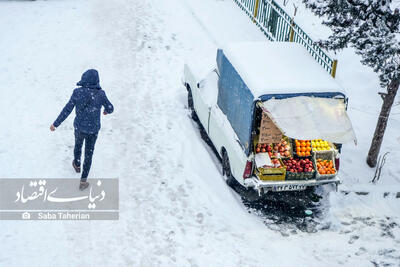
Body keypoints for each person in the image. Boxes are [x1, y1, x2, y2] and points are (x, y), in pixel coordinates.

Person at [50, 69, 114, 190]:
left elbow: (67, 109)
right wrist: (106, 110)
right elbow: (111, 108)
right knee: (89, 154)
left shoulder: (77, 92)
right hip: (93, 130)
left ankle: (77, 163)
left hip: (79, 127)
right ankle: (83, 181)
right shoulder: (101, 94)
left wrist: (55, 124)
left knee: (78, 145)